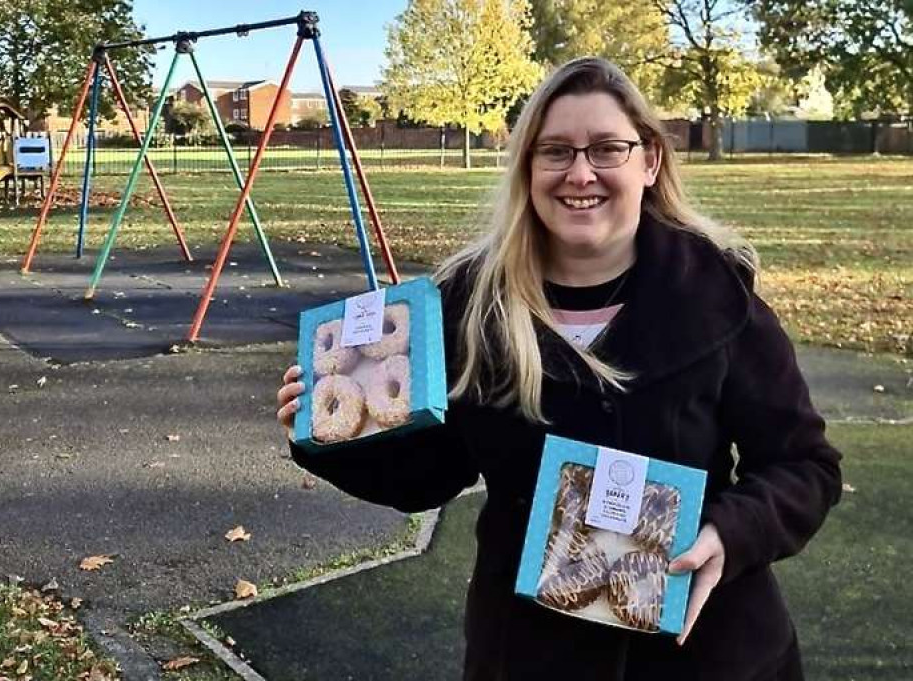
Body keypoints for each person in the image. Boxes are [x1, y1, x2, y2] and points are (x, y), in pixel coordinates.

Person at [276, 57, 841, 680]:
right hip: (532, 651)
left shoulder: (716, 294)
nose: (580, 173)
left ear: (649, 161)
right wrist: (328, 439)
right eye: (555, 151)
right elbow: (430, 474)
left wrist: (729, 533)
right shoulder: (468, 304)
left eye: (606, 149)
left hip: (706, 647)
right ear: (527, 165)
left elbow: (803, 466)